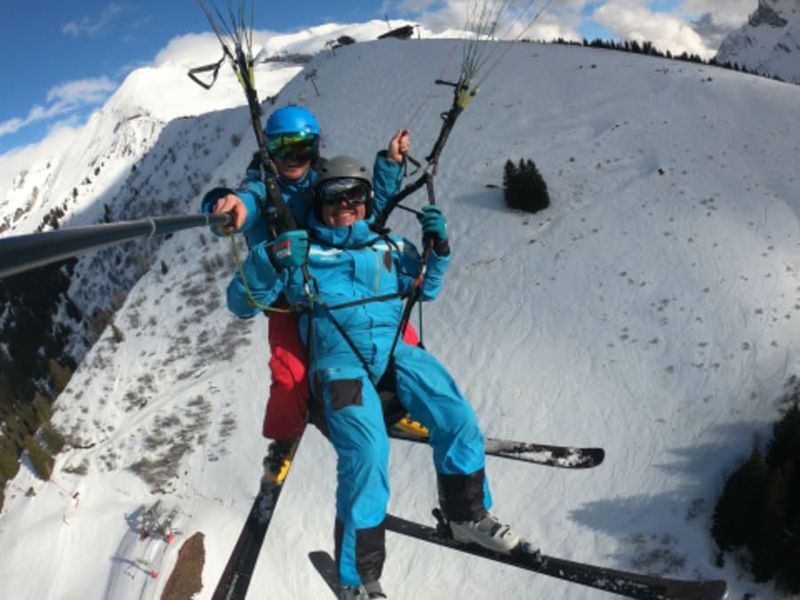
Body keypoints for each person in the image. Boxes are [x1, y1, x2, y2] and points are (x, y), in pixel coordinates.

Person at [227, 156, 520, 600]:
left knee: (456, 413)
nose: (344, 205)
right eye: (332, 197)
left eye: (354, 196)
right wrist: (269, 259)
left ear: (365, 201)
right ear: (319, 202)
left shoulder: (390, 247)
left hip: (394, 351)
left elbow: (427, 288)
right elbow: (242, 303)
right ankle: (357, 577)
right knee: (366, 454)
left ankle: (466, 516)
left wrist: (437, 250)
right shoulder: (302, 252)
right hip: (340, 365)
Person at [203, 105, 416, 446]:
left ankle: (404, 405)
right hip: (288, 298)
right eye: (282, 148)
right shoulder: (262, 188)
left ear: (316, 147)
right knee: (290, 378)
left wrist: (390, 164)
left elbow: (364, 207)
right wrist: (226, 206)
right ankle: (283, 442)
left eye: (302, 147)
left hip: (337, 281)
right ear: (268, 150)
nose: (293, 157)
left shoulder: (322, 178)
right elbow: (245, 201)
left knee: (402, 339)